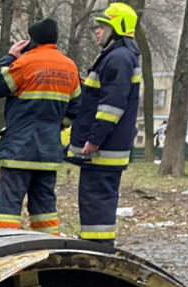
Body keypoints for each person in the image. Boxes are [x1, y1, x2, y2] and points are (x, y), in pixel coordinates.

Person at [0, 18, 80, 235]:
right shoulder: (70, 67)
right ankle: (48, 248)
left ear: (31, 41)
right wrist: (56, 127)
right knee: (45, 207)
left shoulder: (27, 63)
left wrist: (9, 57)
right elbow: (75, 109)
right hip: (49, 149)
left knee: (9, 205)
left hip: (20, 146)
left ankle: (6, 243)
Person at [67, 2, 141, 245]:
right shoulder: (120, 55)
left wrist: (94, 140)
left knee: (96, 201)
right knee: (96, 201)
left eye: (102, 26)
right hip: (107, 148)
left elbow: (112, 106)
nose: (97, 31)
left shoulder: (118, 57)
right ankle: (95, 244)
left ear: (117, 28)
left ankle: (96, 248)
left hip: (103, 150)